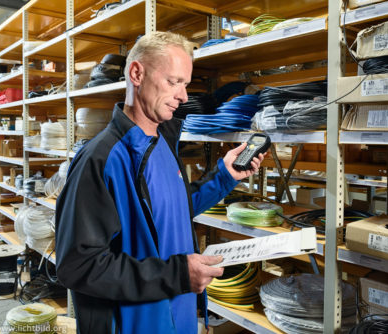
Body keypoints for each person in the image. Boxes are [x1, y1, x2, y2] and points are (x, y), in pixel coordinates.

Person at [55, 32, 265, 334]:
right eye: (173, 82)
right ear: (137, 73)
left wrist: (225, 176)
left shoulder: (162, 143)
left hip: (176, 318)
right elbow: (78, 266)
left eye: (185, 85)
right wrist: (177, 275)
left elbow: (170, 210)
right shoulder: (101, 159)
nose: (182, 97)